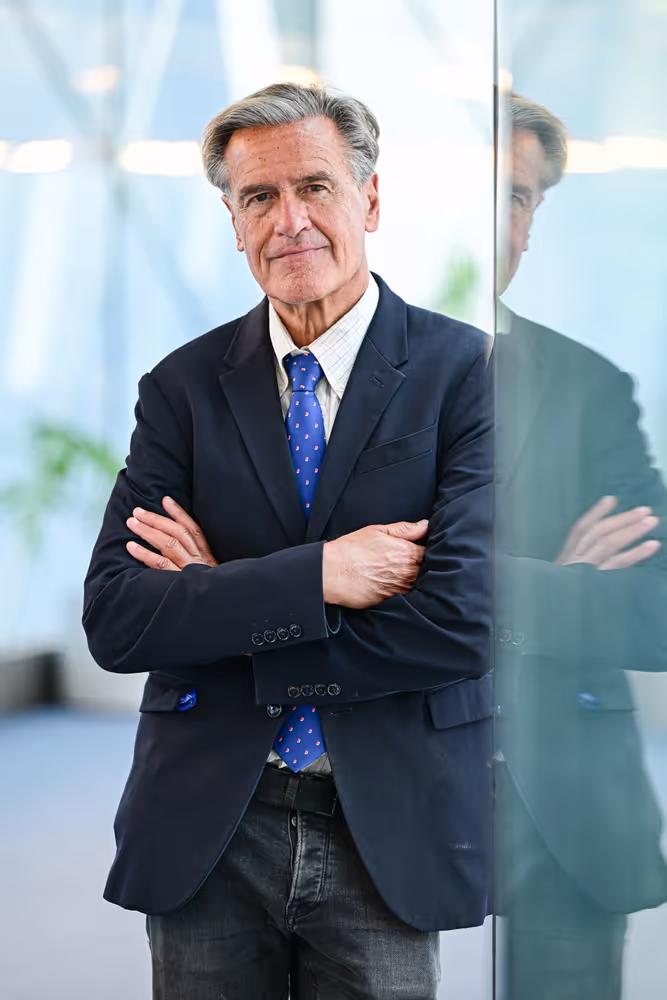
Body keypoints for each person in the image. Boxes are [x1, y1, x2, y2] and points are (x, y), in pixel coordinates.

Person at [83, 83, 493, 1000]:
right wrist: (325, 575)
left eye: (315, 186)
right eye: (258, 197)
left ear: (370, 201)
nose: (289, 220)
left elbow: (459, 624)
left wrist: (224, 598)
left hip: (383, 818)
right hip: (211, 824)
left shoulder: (461, 372)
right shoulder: (182, 388)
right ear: (231, 219)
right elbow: (116, 620)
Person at [495, 93, 667, 999]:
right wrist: (561, 584)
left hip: (559, 812)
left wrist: (470, 588)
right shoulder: (342, 375)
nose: (502, 221)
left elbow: (653, 613)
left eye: (521, 199)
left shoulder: (590, 388)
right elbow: (338, 582)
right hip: (378, 800)